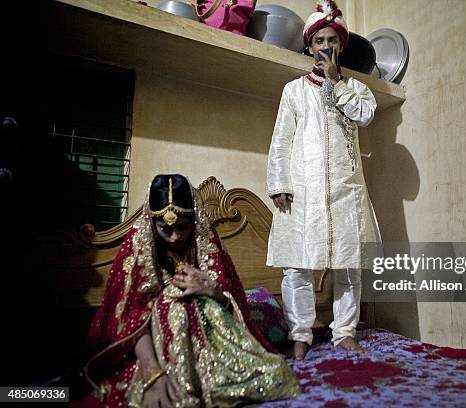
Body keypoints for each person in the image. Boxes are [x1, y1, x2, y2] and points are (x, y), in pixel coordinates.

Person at [85, 174, 300, 407]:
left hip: (215, 345)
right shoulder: (139, 246)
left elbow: (232, 302)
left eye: (182, 227)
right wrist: (151, 373)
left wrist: (210, 289)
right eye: (165, 229)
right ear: (151, 222)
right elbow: (131, 317)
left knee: (275, 374)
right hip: (152, 347)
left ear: (194, 221)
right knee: (171, 305)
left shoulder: (205, 241)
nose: (175, 236)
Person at [266, 0, 380, 360]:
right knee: (297, 264)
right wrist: (279, 184)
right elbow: (281, 140)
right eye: (320, 41)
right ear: (309, 47)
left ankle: (344, 332)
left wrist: (336, 83)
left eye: (332, 40)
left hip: (346, 189)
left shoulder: (357, 89)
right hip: (303, 189)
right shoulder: (294, 90)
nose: (326, 46)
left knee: (349, 264)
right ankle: (300, 335)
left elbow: (364, 116)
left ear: (340, 46)